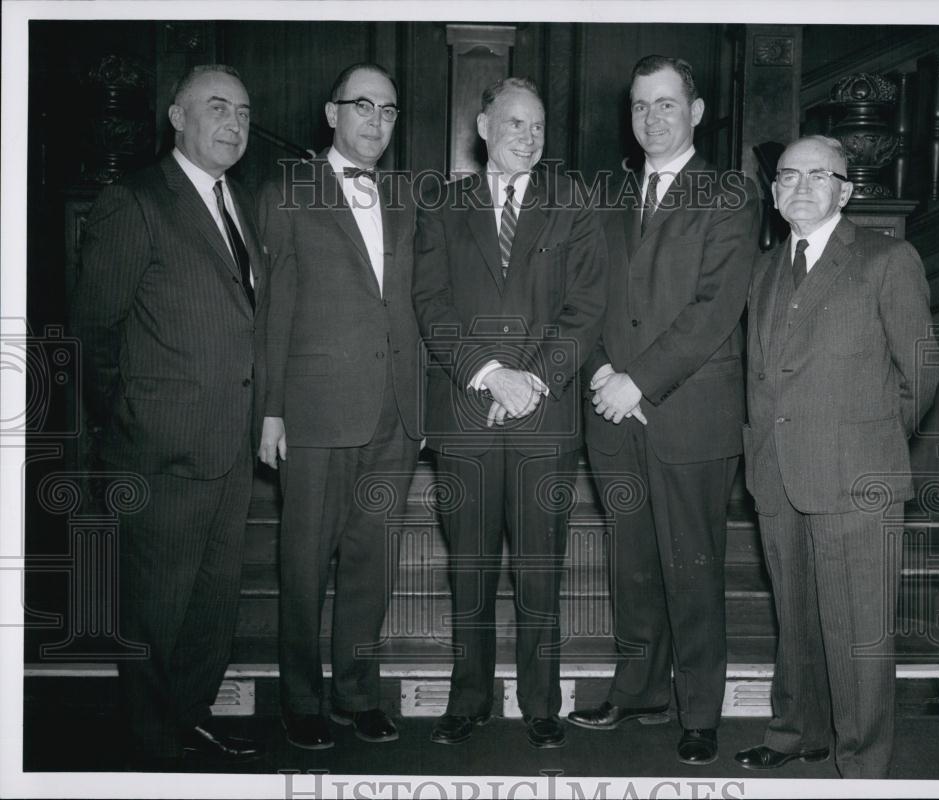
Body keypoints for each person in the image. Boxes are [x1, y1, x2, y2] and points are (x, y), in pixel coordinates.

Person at [569, 55, 759, 767]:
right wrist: (602, 376)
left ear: (697, 112)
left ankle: (699, 710)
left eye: (667, 104)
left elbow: (715, 309)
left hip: (688, 411)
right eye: (641, 105)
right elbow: (583, 300)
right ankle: (640, 689)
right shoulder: (607, 195)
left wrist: (639, 381)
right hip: (613, 412)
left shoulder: (731, 194)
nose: (652, 117)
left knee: (693, 567)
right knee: (633, 566)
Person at [73, 64, 265, 766]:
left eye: (243, 112)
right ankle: (151, 751)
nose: (234, 123)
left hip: (230, 445)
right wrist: (129, 426)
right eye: (217, 107)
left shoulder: (237, 200)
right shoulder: (136, 200)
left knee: (210, 611)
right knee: (153, 612)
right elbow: (93, 331)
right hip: (159, 450)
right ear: (176, 118)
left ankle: (190, 718)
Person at [412, 77, 606, 749]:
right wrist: (491, 376)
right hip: (465, 412)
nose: (529, 137)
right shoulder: (442, 203)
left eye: (540, 127)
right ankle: (467, 700)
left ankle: (541, 703)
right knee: (467, 567)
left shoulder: (571, 203)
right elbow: (429, 302)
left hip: (543, 419)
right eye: (516, 124)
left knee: (539, 569)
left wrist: (530, 382)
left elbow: (585, 307)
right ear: (484, 128)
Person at [738, 135, 939, 778]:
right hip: (777, 472)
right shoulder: (765, 268)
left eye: (816, 176)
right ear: (773, 193)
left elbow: (921, 373)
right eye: (787, 177)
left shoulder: (887, 259)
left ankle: (862, 763)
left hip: (858, 477)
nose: (798, 186)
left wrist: (871, 444)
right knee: (795, 623)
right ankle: (798, 733)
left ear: (845, 191)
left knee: (859, 634)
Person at [256, 62, 422, 750]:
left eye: (388, 110)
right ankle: (300, 698)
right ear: (332, 115)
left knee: (372, 560)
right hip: (315, 408)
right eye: (363, 106)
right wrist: (270, 410)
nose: (376, 121)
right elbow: (274, 308)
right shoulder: (287, 191)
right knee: (303, 562)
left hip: (395, 412)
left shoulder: (410, 196)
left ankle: (357, 693)